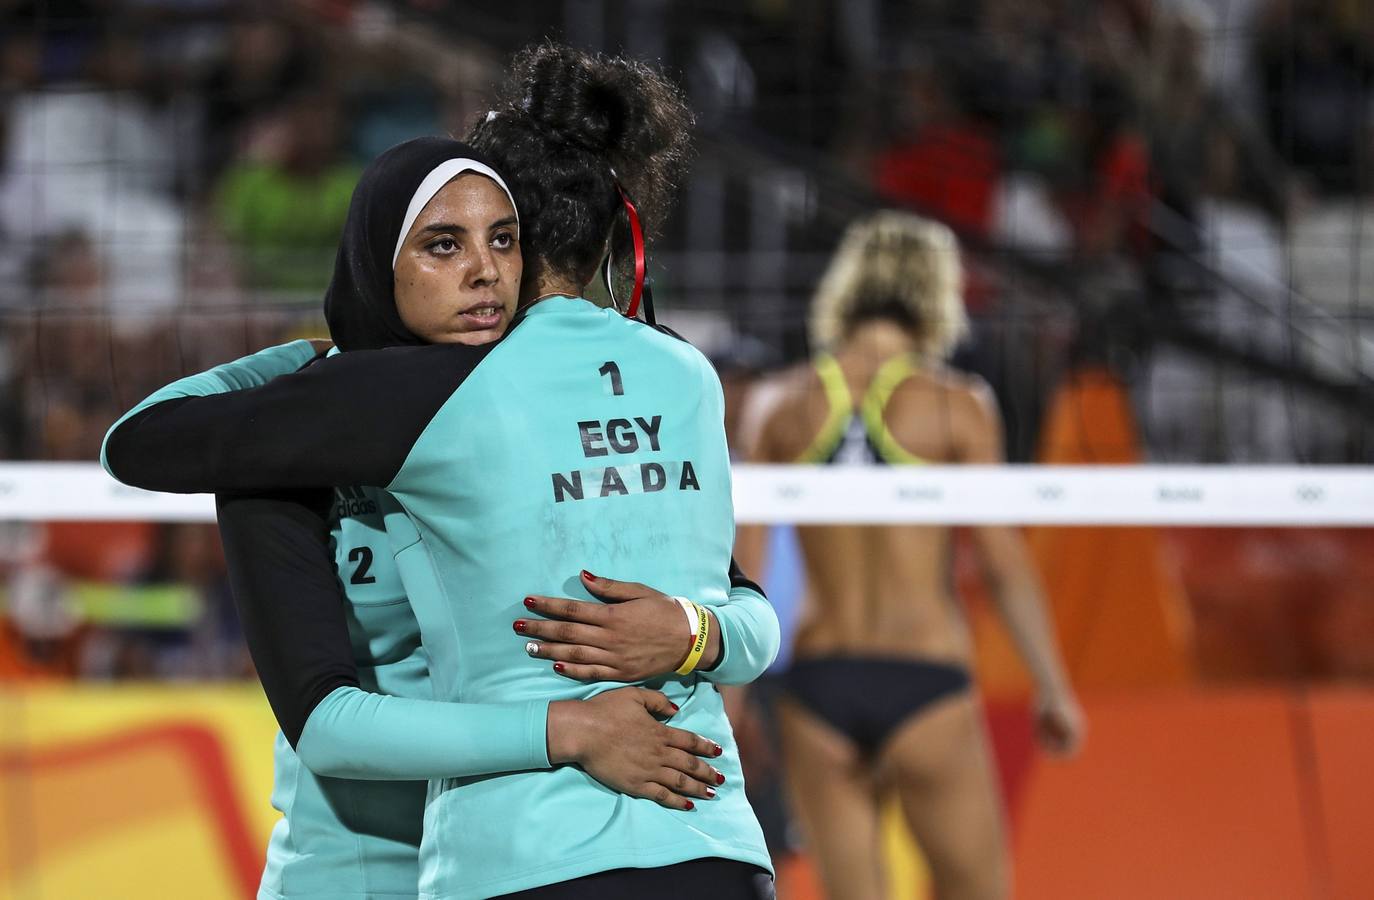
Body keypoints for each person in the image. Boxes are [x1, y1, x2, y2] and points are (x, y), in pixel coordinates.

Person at [103, 44, 776, 899]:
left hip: (505, 842)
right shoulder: (299, 434)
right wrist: (305, 366)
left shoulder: (526, 403)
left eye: (504, 240)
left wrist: (693, 632)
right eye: (443, 246)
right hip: (360, 871)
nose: (484, 271)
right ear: (379, 265)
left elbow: (740, 603)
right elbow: (327, 723)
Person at [736, 211, 1084, 900]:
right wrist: (1053, 687)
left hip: (819, 686)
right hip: (926, 682)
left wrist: (725, 713)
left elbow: (740, 583)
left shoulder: (779, 404)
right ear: (935, 293)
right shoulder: (956, 405)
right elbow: (1001, 562)